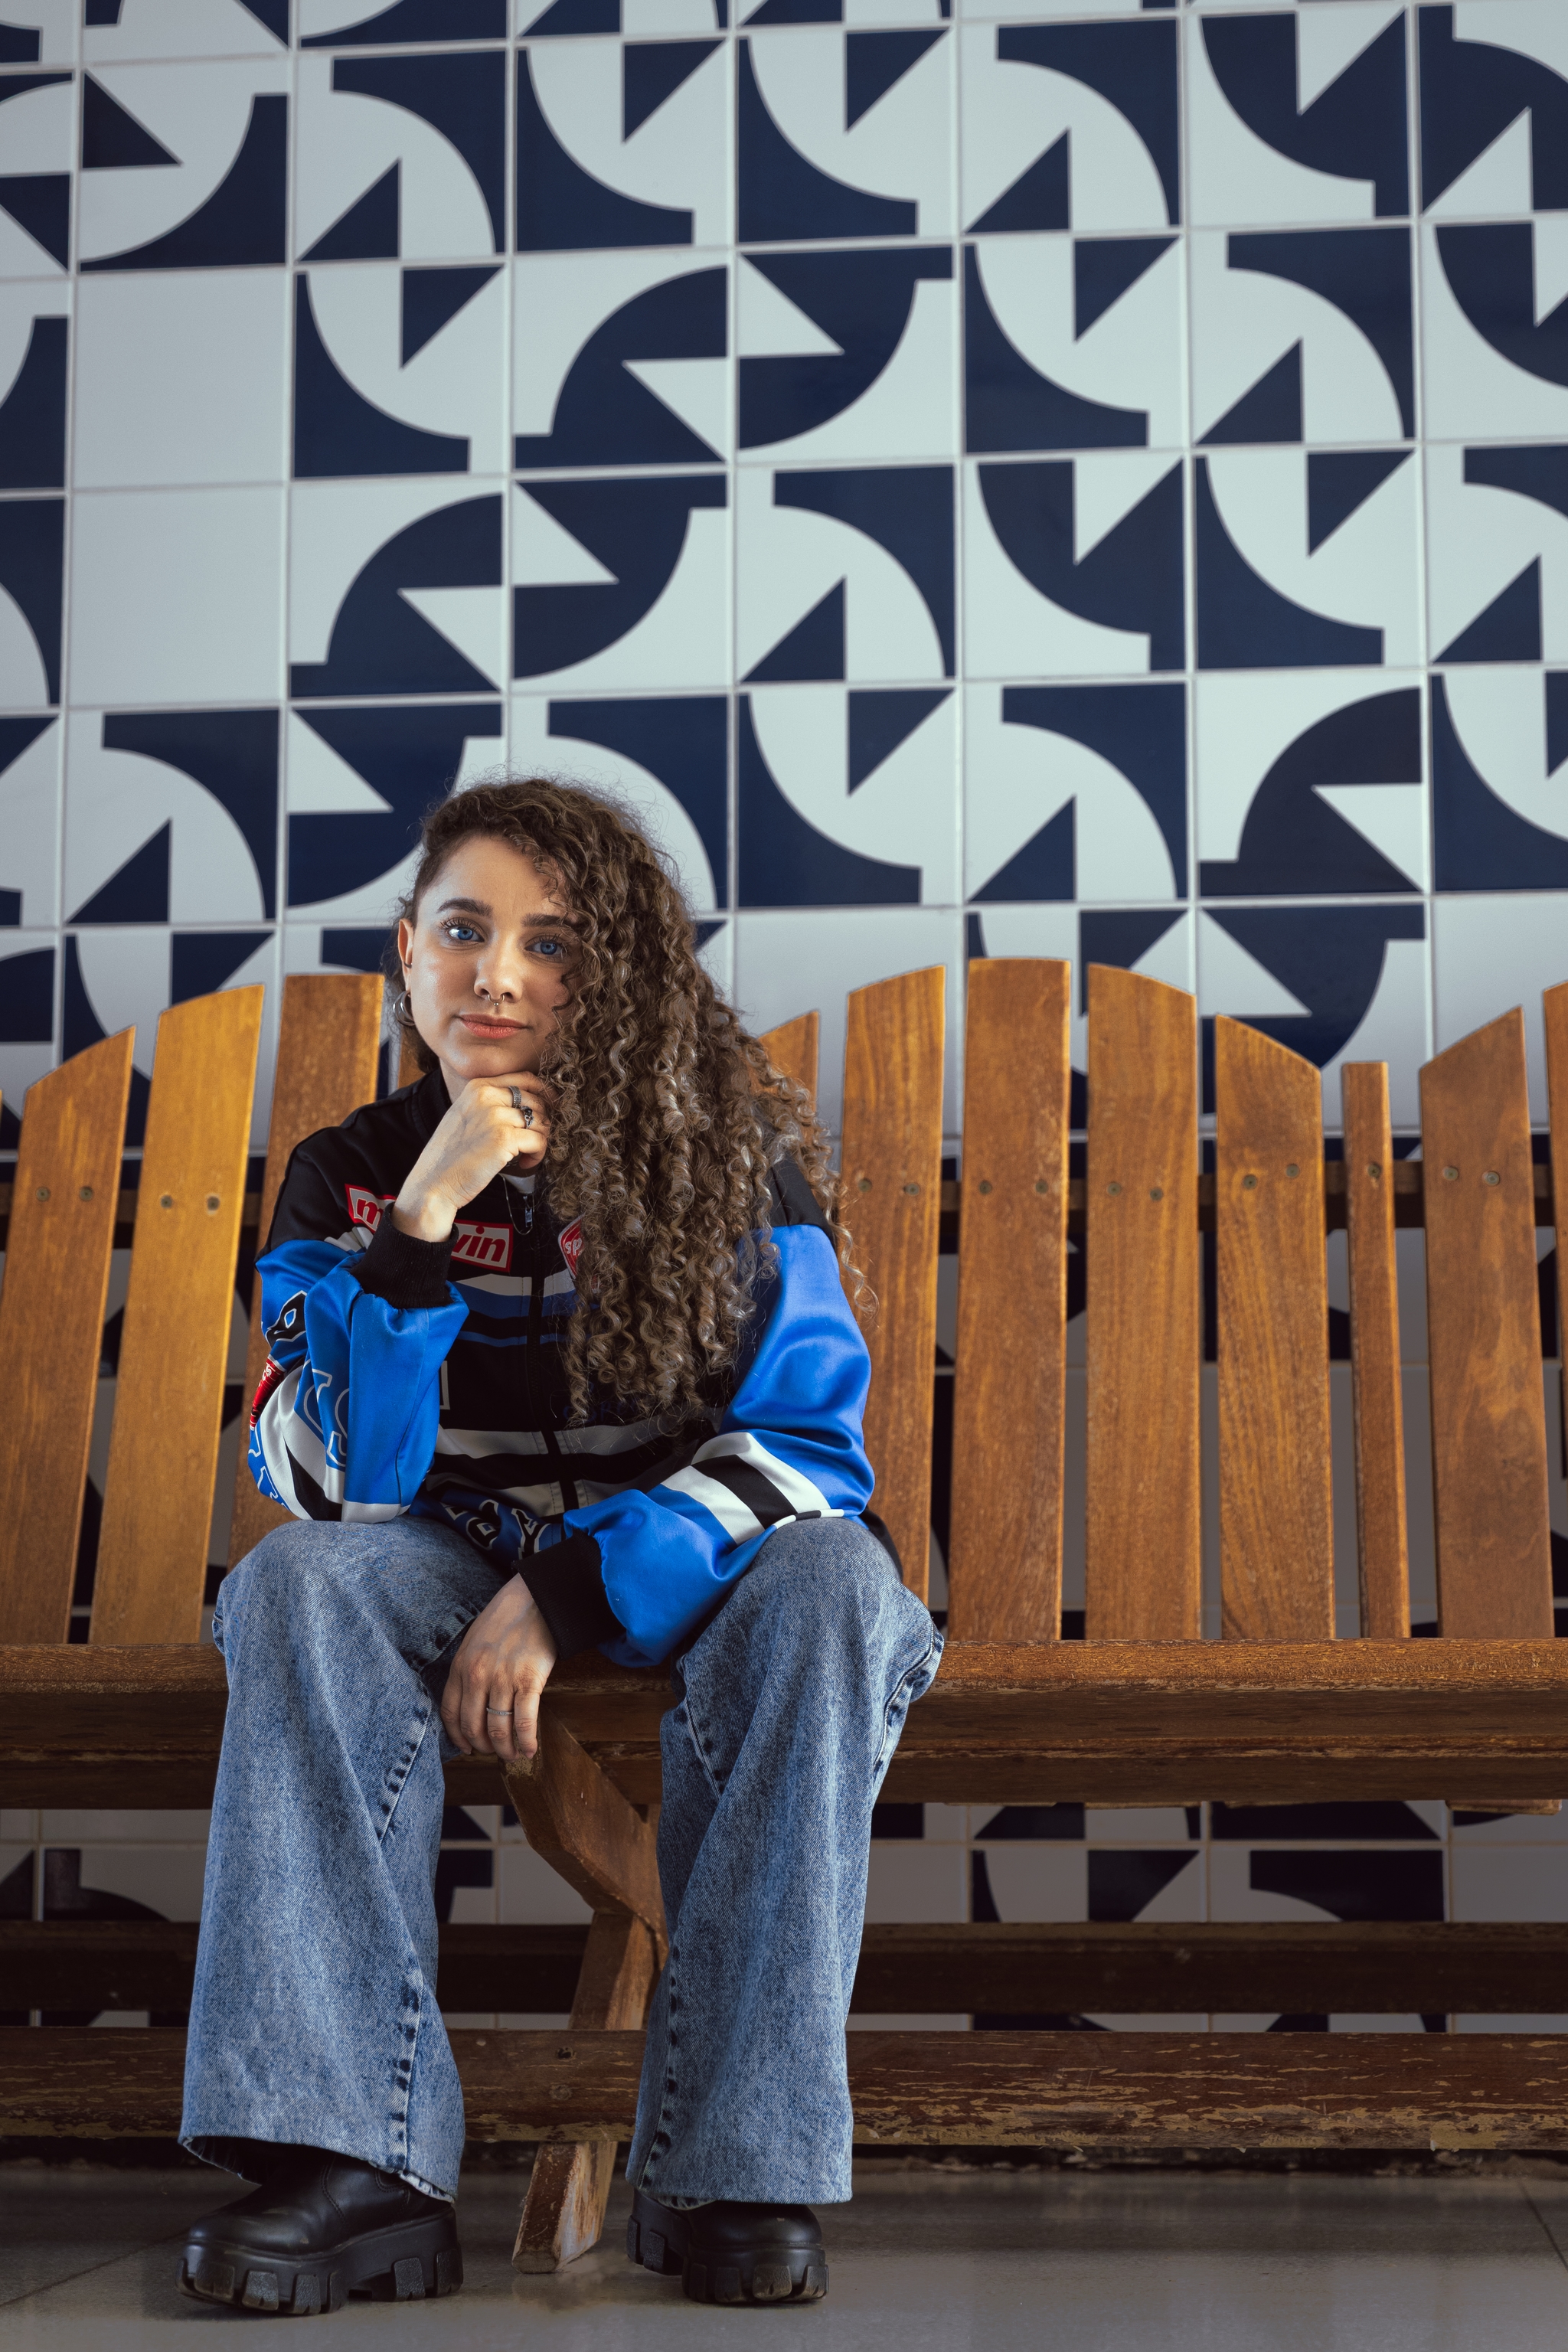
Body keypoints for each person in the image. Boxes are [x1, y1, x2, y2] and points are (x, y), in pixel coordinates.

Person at [176, 776, 942, 2315]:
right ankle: (352, 2162)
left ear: (617, 978)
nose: (499, 974)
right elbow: (332, 1486)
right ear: (405, 951)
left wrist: (566, 1587)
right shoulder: (343, 1174)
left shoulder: (720, 1162)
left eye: (555, 945)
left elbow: (808, 1451)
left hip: (693, 1565)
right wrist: (414, 1233)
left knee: (839, 1594)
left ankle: (738, 2163)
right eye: (462, 930)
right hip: (434, 1553)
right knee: (293, 1589)